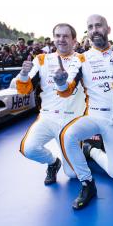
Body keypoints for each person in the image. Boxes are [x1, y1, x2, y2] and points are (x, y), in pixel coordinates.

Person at [54, 14, 113, 210]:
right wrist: (60, 81)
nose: (94, 30)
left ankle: (90, 150)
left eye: (98, 26)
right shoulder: (82, 59)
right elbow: (67, 89)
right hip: (94, 116)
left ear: (108, 29)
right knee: (67, 135)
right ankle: (87, 184)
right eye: (90, 27)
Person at [16, 23, 86, 186]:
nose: (61, 39)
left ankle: (89, 150)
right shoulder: (41, 59)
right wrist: (24, 73)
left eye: (66, 36)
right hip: (47, 117)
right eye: (58, 36)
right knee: (29, 148)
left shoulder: (82, 59)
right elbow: (24, 90)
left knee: (73, 175)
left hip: (72, 121)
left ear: (74, 40)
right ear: (54, 38)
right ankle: (53, 163)